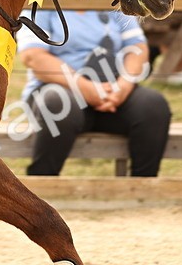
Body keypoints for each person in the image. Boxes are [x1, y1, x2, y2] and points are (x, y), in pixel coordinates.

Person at [17, 10, 169, 177]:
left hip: (113, 94)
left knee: (153, 105)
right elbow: (33, 56)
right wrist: (86, 88)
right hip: (59, 93)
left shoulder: (115, 2)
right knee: (56, 103)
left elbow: (138, 48)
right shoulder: (41, 5)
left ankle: (141, 188)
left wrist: (123, 86)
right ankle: (41, 185)